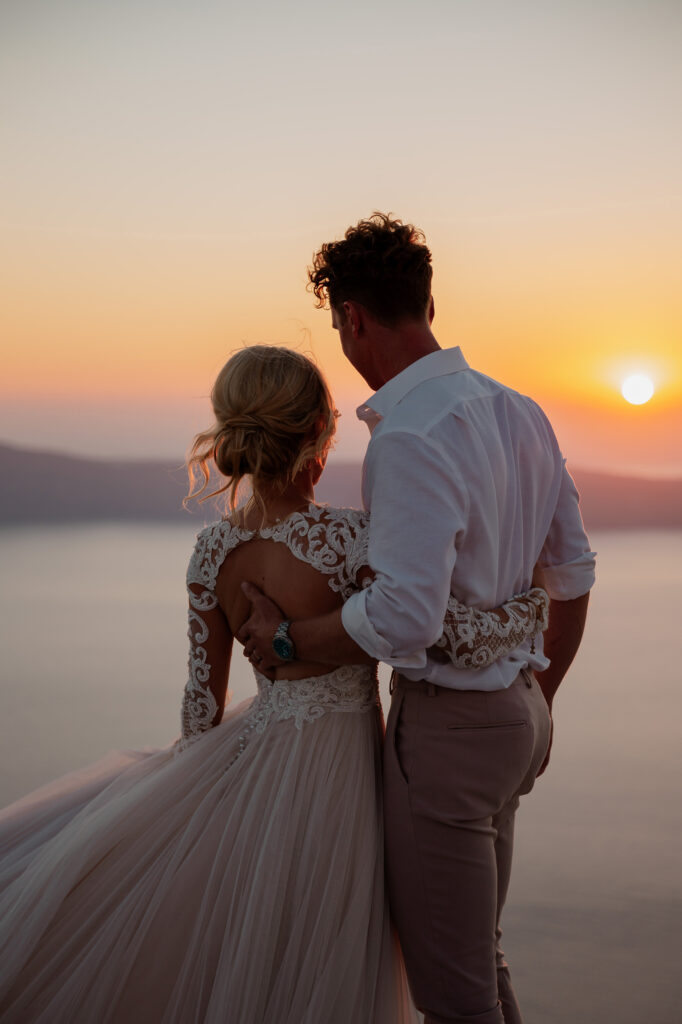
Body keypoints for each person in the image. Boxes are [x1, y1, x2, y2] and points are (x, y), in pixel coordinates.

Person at [0, 345, 549, 1024]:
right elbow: (445, 630)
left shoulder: (211, 553)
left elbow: (201, 705)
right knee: (334, 955)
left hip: (255, 765)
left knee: (259, 953)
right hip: (344, 779)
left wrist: (190, 796)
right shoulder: (354, 540)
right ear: (321, 432)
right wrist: (532, 608)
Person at [239, 215, 597, 1024]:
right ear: (427, 302)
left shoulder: (407, 437)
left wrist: (289, 638)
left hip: (452, 736)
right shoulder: (521, 410)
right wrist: (541, 693)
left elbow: (403, 615)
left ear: (353, 318)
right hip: (518, 717)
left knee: (452, 999)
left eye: (336, 324)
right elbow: (573, 571)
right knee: (480, 965)